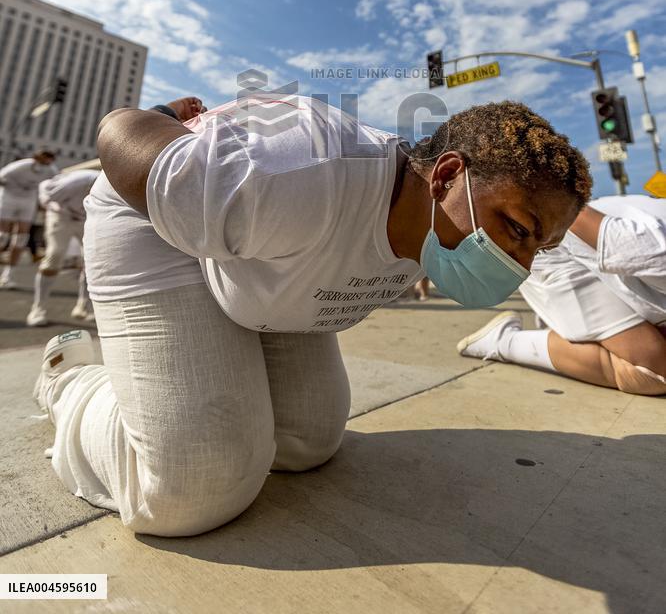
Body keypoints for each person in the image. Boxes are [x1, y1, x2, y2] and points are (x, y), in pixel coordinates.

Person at [33, 96, 590, 538]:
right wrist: (154, 118)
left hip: (260, 260)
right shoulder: (288, 176)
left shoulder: (428, 229)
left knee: (308, 441)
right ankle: (69, 377)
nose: (517, 263)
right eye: (516, 228)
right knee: (195, 486)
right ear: (444, 177)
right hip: (158, 223)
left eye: (537, 248)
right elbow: (118, 129)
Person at [457, 194, 666, 395]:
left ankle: (565, 327)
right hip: (555, 252)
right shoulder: (654, 248)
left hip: (597, 263)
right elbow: (571, 216)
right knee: (653, 370)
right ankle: (504, 341)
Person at [26, 168, 100, 326]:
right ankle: (38, 309)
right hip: (61, 216)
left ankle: (83, 307)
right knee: (55, 255)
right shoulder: (79, 179)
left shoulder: (115, 185)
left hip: (85, 219)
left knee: (93, 260)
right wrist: (52, 206)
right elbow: (46, 188)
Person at [0, 150, 57, 289]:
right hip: (9, 198)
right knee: (2, 236)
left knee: (21, 238)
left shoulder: (50, 170)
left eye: (50, 161)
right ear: (39, 157)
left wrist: (44, 203)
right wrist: (12, 186)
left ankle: (8, 276)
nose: (46, 163)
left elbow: (55, 184)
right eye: (45, 159)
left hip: (28, 200)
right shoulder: (21, 166)